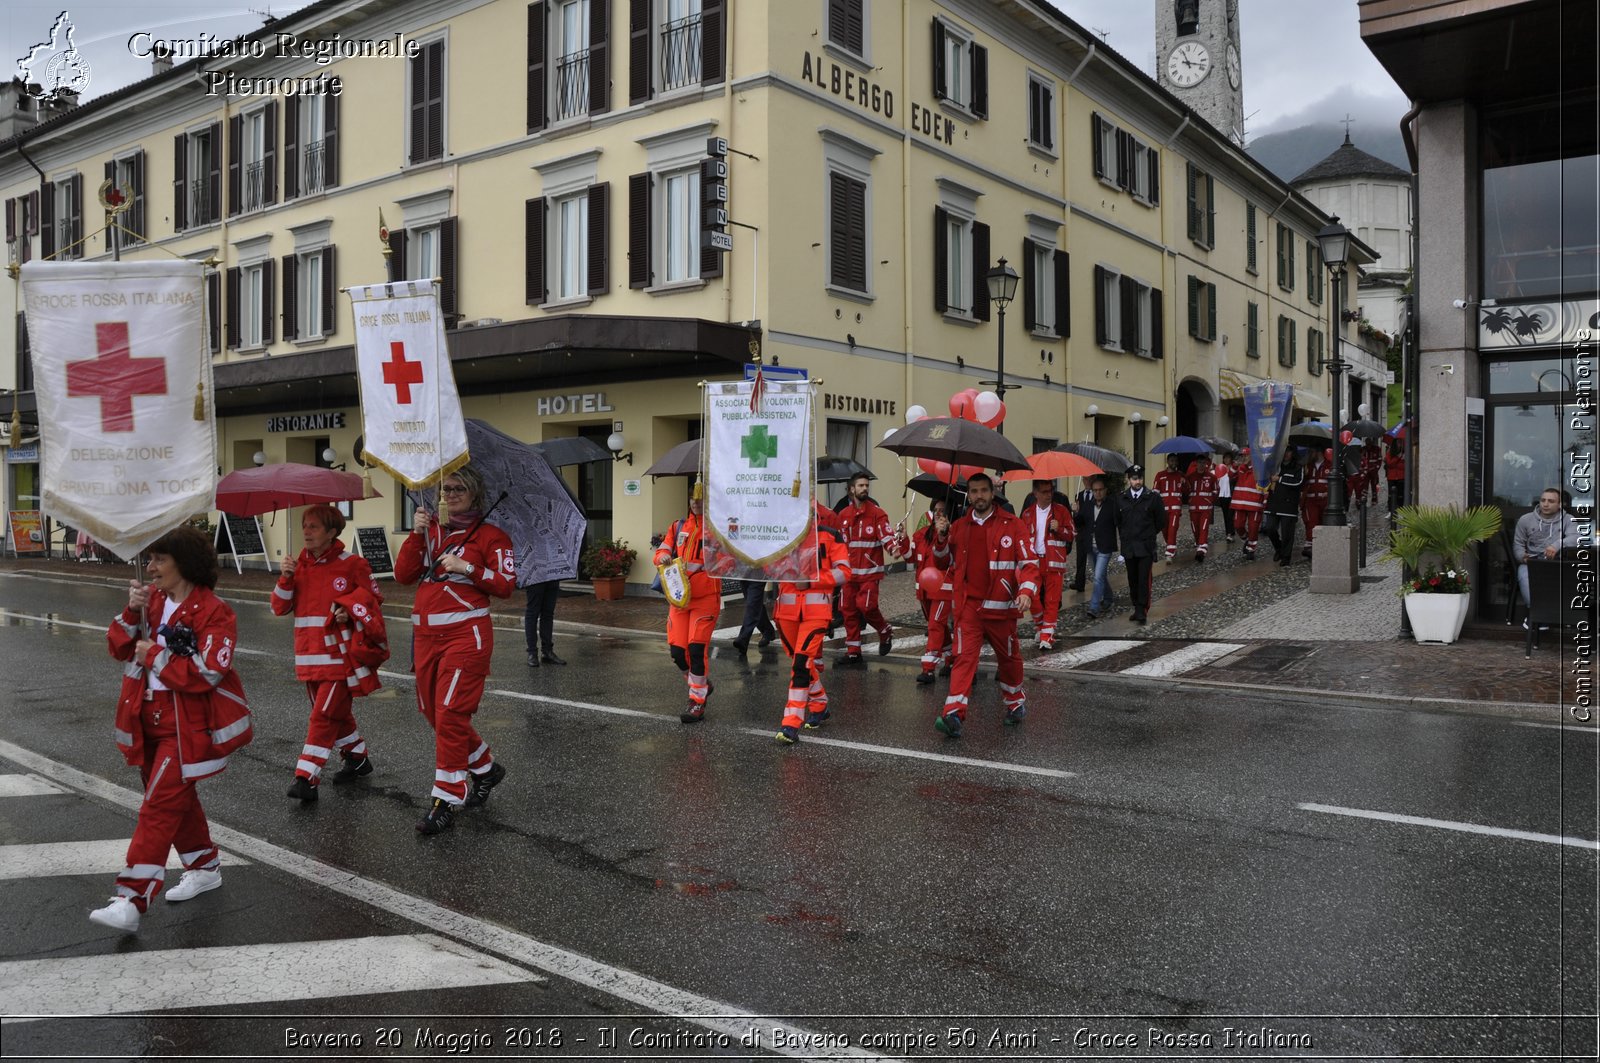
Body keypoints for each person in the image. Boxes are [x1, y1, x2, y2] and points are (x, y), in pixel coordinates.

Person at [90, 527, 252, 933]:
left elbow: (207, 673)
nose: (151, 567)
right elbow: (117, 647)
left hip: (186, 728)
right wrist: (131, 611)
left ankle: (131, 898)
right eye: (151, 559)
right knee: (175, 799)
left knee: (159, 806)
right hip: (144, 721)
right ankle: (204, 866)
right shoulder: (153, 600)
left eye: (159, 559)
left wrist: (157, 655)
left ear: (184, 563)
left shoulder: (216, 611)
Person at [395, 465, 516, 835]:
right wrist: (416, 536)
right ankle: (484, 767)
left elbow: (507, 585)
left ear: (475, 492)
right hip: (426, 638)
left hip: (467, 638)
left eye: (459, 488)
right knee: (435, 714)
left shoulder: (493, 537)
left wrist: (468, 568)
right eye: (445, 488)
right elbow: (402, 575)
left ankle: (447, 797)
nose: (450, 494)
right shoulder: (432, 532)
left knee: (449, 713)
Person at [272, 504, 385, 802]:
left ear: (332, 532)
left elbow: (373, 602)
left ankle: (306, 778)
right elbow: (279, 607)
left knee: (323, 717)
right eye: (305, 526)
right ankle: (357, 758)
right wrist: (285, 577)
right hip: (308, 658)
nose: (306, 532)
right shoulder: (297, 566)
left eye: (314, 527)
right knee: (335, 714)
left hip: (340, 659)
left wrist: (351, 613)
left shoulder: (353, 564)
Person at [936, 473, 1039, 736]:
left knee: (1009, 659)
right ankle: (953, 715)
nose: (979, 496)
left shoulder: (1012, 525)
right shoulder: (958, 526)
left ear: (993, 493)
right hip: (968, 607)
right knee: (964, 658)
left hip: (1002, 608)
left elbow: (1029, 564)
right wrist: (941, 537)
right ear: (968, 495)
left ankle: (1015, 703)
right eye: (974, 491)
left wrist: (1026, 591)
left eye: (984, 491)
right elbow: (941, 562)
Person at [773, 502, 852, 744]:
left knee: (800, 665)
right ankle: (819, 703)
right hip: (786, 613)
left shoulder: (830, 536)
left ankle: (791, 723)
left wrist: (812, 581)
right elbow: (769, 567)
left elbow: (844, 572)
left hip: (816, 612)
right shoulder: (781, 537)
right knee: (802, 663)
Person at [651, 480, 723, 722]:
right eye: (693, 497)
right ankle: (700, 685)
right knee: (678, 652)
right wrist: (662, 557)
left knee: (696, 648)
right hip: (680, 599)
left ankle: (697, 701)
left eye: (700, 497)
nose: (696, 501)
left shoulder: (718, 528)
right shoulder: (678, 525)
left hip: (706, 599)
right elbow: (663, 548)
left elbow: (728, 559)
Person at [835, 472, 896, 663]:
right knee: (848, 610)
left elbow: (887, 536)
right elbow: (838, 545)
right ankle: (853, 650)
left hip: (870, 573)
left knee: (866, 607)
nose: (865, 489)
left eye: (866, 486)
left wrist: (893, 548)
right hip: (849, 575)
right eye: (860, 486)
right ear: (852, 489)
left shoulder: (878, 513)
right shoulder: (843, 515)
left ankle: (884, 630)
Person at [893, 498, 954, 683]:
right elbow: (911, 558)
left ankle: (928, 668)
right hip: (924, 590)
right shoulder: (921, 534)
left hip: (944, 588)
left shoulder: (951, 535)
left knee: (935, 625)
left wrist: (944, 535)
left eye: (943, 510)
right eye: (936, 510)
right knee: (939, 626)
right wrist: (903, 538)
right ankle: (950, 657)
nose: (939, 513)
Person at [1018, 479, 1074, 651]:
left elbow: (1072, 534)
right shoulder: (1027, 514)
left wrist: (1059, 529)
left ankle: (1046, 635)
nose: (1048, 494)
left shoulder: (1061, 511)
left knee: (1052, 599)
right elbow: (1020, 537)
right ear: (1035, 493)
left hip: (1053, 561)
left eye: (1050, 490)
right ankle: (1041, 626)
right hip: (1033, 562)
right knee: (1032, 596)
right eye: (1044, 491)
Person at [1514, 487, 1582, 615]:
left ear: (1559, 504)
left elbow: (1575, 538)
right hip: (1532, 562)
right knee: (1524, 576)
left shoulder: (1568, 519)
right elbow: (1518, 544)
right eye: (1543, 500)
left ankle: (1557, 615)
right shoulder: (1525, 520)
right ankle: (1538, 614)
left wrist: (1556, 546)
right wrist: (1522, 557)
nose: (1545, 504)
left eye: (1551, 501)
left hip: (1557, 562)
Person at [1116, 465, 1165, 623]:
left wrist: (1149, 534)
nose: (1138, 482)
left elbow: (1161, 520)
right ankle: (1136, 606)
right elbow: (1118, 521)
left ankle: (1142, 609)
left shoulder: (1152, 497)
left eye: (1140, 478)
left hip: (1145, 546)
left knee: (1144, 579)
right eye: (1134, 479)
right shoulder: (1121, 498)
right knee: (1132, 579)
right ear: (1129, 480)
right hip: (1129, 547)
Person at [1078, 476, 1119, 619]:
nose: (1098, 493)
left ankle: (1094, 607)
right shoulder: (1087, 505)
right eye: (1095, 490)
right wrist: (1075, 511)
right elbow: (1080, 523)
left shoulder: (1112, 505)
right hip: (1091, 546)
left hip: (1105, 547)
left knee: (1097, 577)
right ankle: (1108, 598)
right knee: (1100, 575)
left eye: (1100, 490)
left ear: (1105, 490)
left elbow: (1119, 523)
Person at [1262, 453, 1306, 566]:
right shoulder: (1274, 466)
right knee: (1269, 528)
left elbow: (1298, 482)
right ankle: (1279, 548)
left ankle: (1286, 556)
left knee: (1287, 533)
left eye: (1289, 451)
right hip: (1273, 503)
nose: (1286, 454)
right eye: (1284, 451)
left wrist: (1280, 479)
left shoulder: (1298, 467)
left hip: (1289, 505)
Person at [1231, 450, 1265, 560]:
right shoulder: (1240, 468)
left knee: (1253, 527)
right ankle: (1246, 539)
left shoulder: (1260, 469)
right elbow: (1230, 476)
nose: (1244, 457)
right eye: (1242, 455)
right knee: (1238, 525)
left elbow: (1266, 485)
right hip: (1239, 503)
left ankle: (1251, 548)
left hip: (1255, 503)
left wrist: (1265, 501)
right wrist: (1235, 465)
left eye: (1246, 455)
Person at [523, 579, 565, 667]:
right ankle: (532, 652)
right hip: (535, 577)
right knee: (532, 613)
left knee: (548, 613)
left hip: (552, 576)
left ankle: (547, 651)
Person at [730, 578, 777, 656]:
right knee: (754, 603)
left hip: (758, 574)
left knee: (752, 604)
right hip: (744, 574)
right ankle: (767, 630)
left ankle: (743, 638)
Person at [1153, 455, 1187, 561]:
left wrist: (1184, 483)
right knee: (1165, 530)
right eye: (1172, 460)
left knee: (1173, 528)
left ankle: (1169, 553)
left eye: (1176, 461)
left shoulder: (1181, 475)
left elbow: (1186, 491)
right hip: (1163, 508)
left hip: (1175, 508)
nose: (1174, 462)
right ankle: (1171, 545)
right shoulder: (1160, 475)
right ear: (1167, 461)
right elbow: (1155, 492)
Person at [1186, 455, 1219, 562]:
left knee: (1204, 528)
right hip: (1193, 508)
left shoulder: (1211, 477)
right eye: (1199, 462)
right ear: (1196, 463)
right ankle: (1199, 544)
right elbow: (1186, 490)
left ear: (1206, 464)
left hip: (1206, 508)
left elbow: (1216, 490)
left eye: (1203, 463)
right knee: (1196, 529)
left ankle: (1201, 550)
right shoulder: (1190, 477)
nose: (1201, 465)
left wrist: (1209, 500)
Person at [1299, 448, 1329, 559]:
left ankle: (1320, 545)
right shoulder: (1308, 466)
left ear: (1319, 452)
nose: (1311, 454)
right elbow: (1302, 482)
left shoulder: (1329, 465)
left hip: (1324, 500)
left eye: (1312, 451)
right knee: (1311, 522)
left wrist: (1328, 492)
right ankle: (1309, 546)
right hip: (1310, 500)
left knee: (1323, 523)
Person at [1068, 478, 1095, 592]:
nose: (1087, 481)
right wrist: (1075, 511)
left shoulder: (1097, 494)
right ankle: (1079, 582)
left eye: (1089, 478)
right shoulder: (1078, 495)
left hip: (1093, 532)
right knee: (1080, 559)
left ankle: (1100, 583)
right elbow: (1077, 519)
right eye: (1085, 479)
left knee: (1094, 561)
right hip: (1082, 531)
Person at [1385, 437, 1406, 515]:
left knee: (1401, 496)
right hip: (1392, 477)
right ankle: (1390, 511)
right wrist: (1398, 458)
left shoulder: (1404, 453)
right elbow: (1390, 464)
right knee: (1391, 495)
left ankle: (1400, 511)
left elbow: (1403, 467)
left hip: (1401, 477)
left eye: (1401, 443)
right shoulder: (1390, 453)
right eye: (1398, 443)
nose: (1400, 445)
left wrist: (1402, 459)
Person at [1214, 457, 1233, 544]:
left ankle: (1231, 530)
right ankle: (1229, 533)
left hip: (1231, 495)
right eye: (1225, 458)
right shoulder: (1220, 468)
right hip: (1223, 496)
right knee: (1226, 515)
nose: (1226, 459)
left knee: (1231, 515)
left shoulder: (1233, 470)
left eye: (1228, 458)